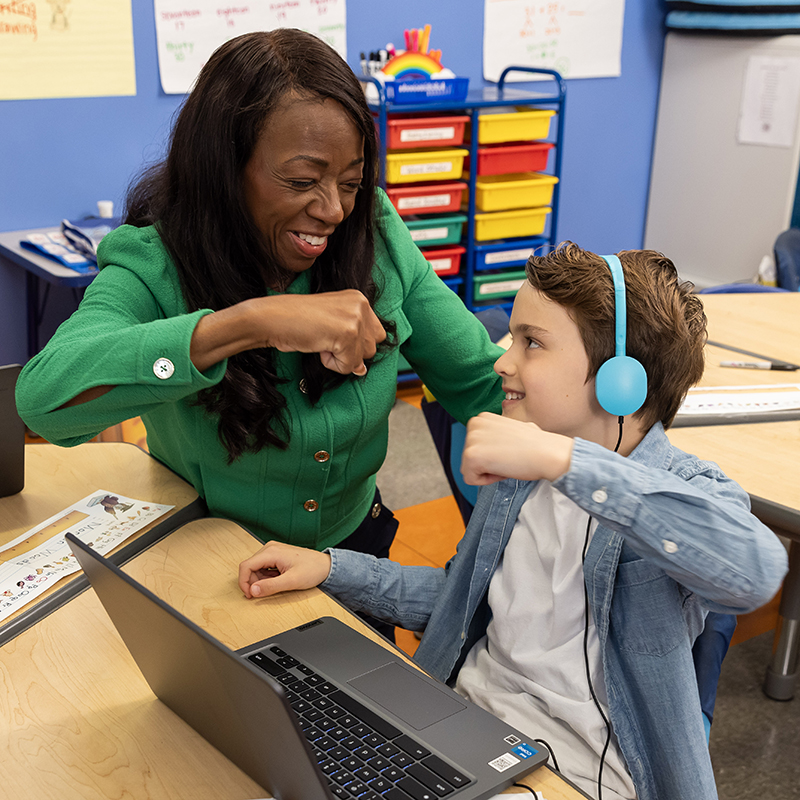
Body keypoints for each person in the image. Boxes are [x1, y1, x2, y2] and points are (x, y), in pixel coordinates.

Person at [237, 243, 788, 800]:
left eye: (532, 342)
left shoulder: (681, 489)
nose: (503, 361)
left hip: (572, 772)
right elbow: (463, 598)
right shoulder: (522, 479)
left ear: (621, 380)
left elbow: (755, 571)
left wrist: (564, 461)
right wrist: (331, 569)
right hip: (464, 728)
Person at [15, 30, 502, 569]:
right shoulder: (155, 262)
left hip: (353, 560)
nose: (334, 210)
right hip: (213, 564)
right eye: (300, 180)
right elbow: (44, 402)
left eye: (351, 181)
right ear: (224, 170)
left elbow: (480, 382)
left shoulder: (375, 233)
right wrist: (249, 324)